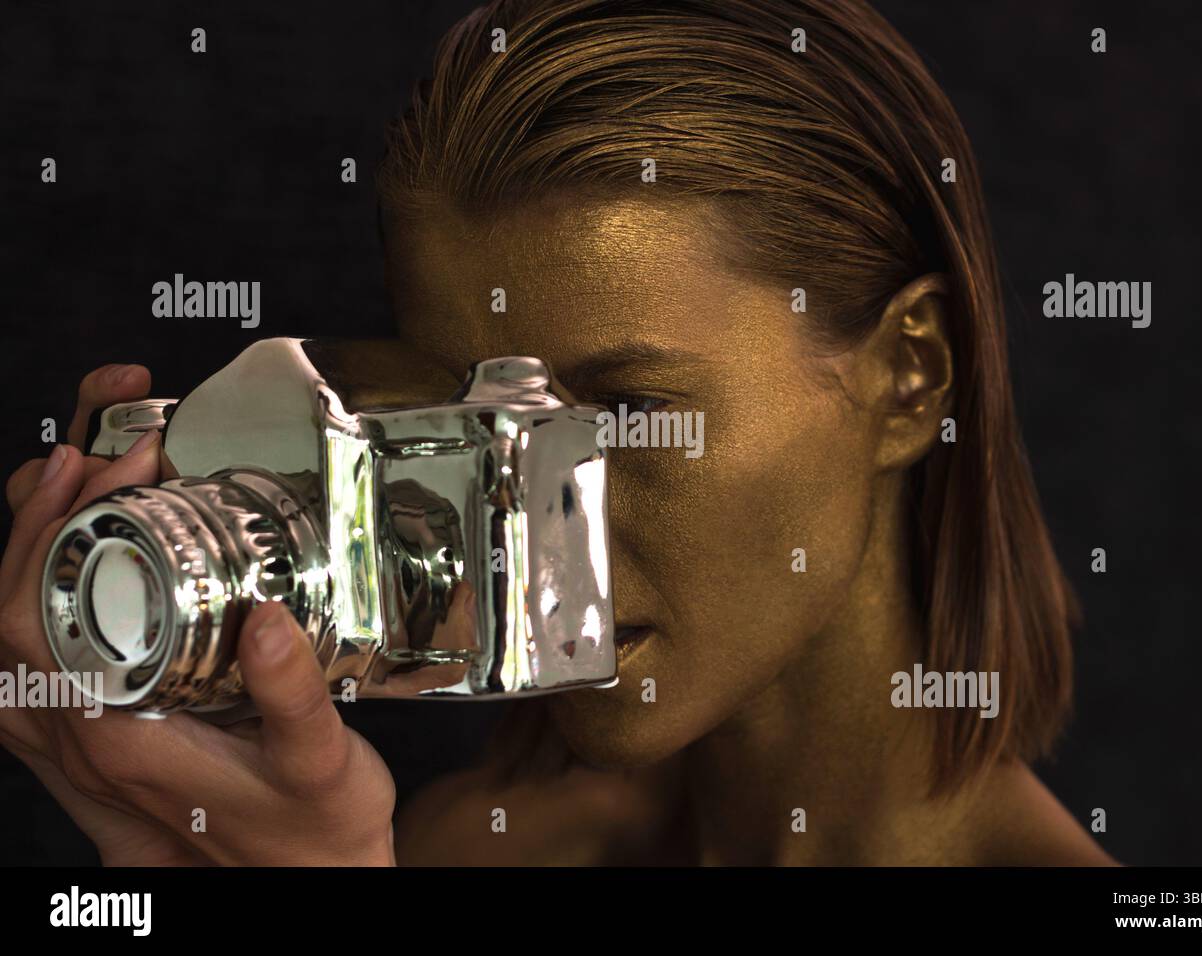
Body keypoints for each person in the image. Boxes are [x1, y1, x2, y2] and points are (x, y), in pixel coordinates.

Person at [0, 0, 1115, 865]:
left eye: (630, 412)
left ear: (913, 374)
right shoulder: (458, 843)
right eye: (476, 427)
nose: (526, 521)